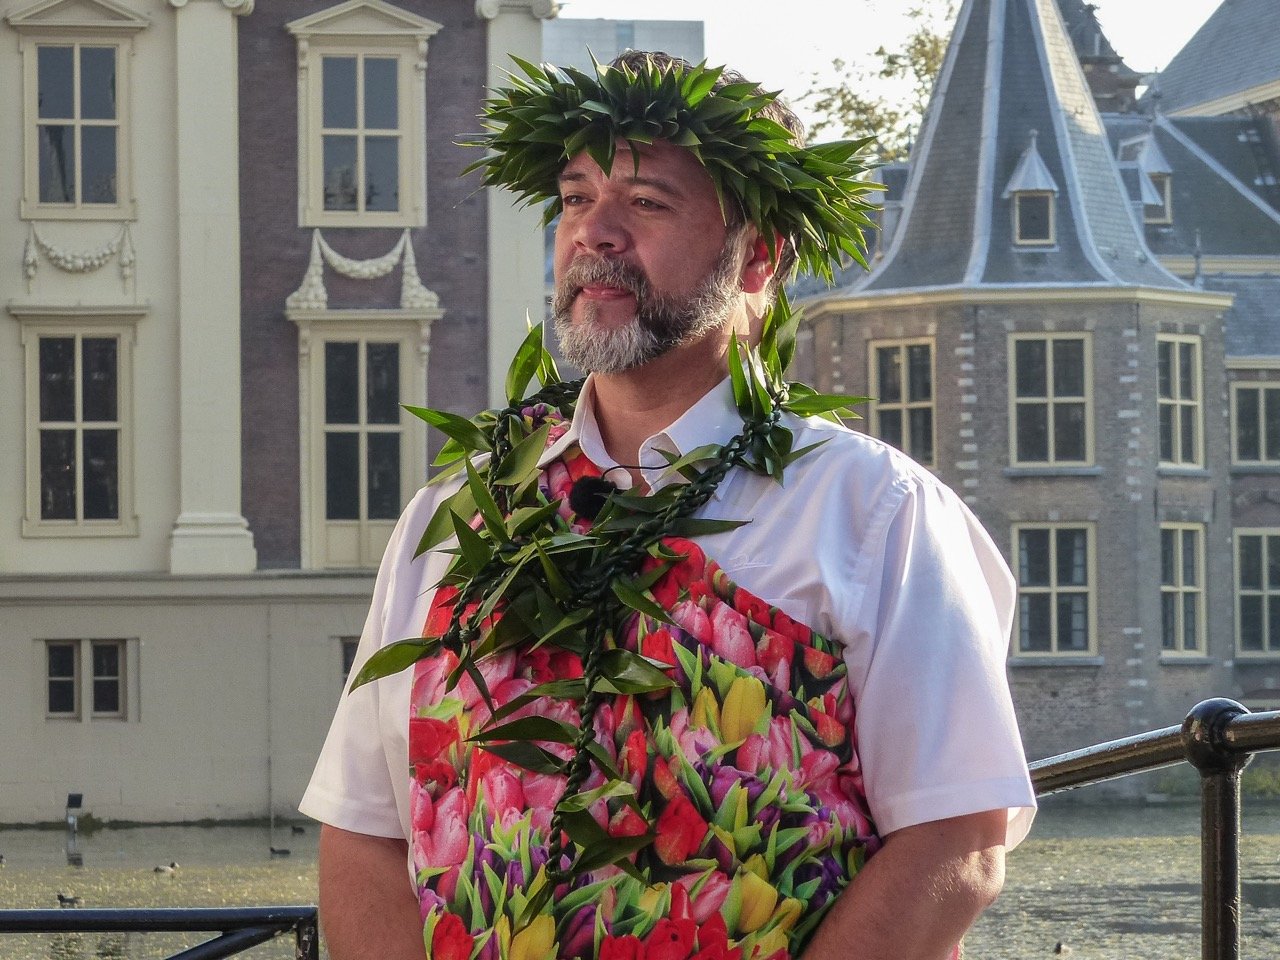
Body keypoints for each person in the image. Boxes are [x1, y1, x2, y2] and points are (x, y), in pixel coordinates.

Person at [300, 51, 1036, 960]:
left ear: (757, 255)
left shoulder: (875, 513)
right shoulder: (457, 514)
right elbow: (364, 827)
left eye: (646, 204)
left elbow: (955, 844)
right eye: (575, 199)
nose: (595, 234)